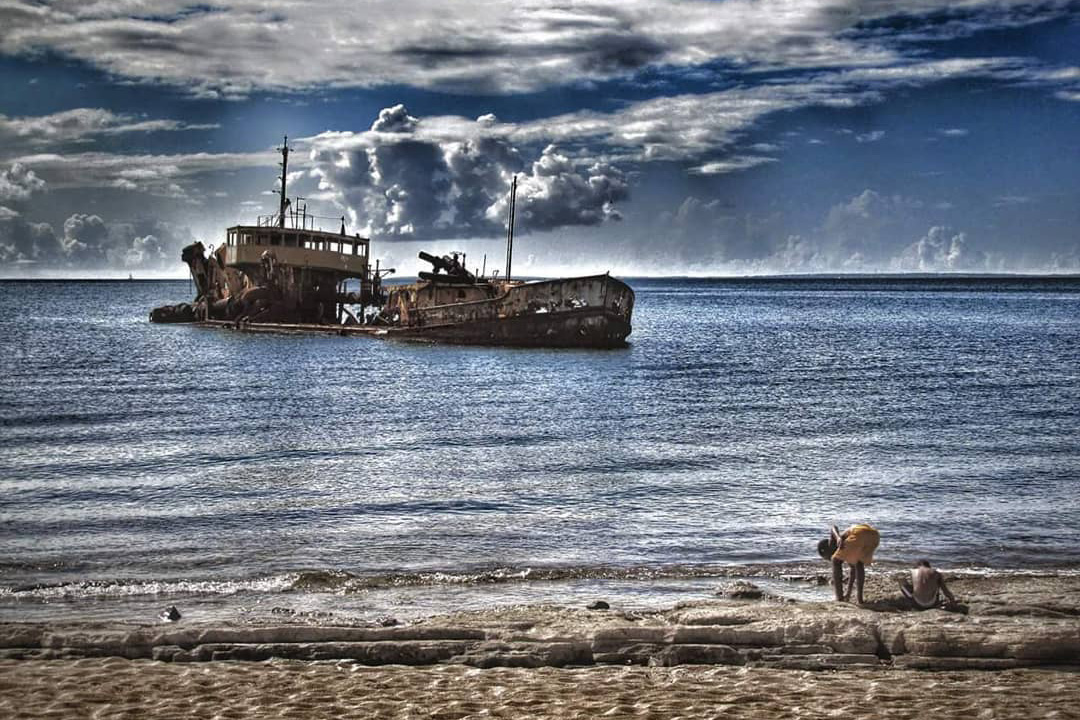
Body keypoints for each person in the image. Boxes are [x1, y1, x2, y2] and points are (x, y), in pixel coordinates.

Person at [817, 523, 880, 604]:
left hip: (858, 533)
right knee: (858, 564)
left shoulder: (833, 543)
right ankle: (860, 599)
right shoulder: (849, 548)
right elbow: (853, 571)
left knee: (835, 561)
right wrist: (848, 593)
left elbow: (833, 527)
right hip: (874, 536)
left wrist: (838, 538)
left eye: (827, 557)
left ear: (825, 550)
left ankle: (839, 598)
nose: (829, 558)